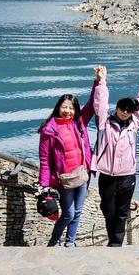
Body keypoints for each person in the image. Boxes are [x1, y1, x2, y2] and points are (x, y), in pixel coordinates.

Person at [90, 66, 139, 247]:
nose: (125, 111)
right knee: (109, 210)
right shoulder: (104, 123)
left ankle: (116, 244)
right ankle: (113, 238)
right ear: (116, 108)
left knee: (122, 211)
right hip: (107, 176)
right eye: (122, 108)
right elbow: (100, 104)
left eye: (129, 110)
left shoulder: (134, 125)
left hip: (127, 176)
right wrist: (102, 81)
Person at [37, 76, 96, 247]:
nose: (68, 111)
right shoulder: (49, 131)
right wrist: (44, 184)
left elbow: (92, 104)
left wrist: (98, 82)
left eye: (71, 108)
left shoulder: (79, 122)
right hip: (65, 180)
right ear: (58, 108)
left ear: (76, 110)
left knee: (77, 212)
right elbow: (45, 160)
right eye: (64, 107)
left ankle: (70, 243)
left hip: (82, 175)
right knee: (69, 214)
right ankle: (54, 240)